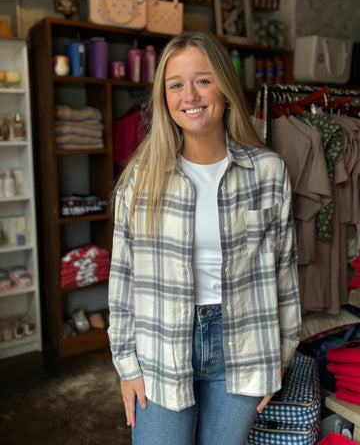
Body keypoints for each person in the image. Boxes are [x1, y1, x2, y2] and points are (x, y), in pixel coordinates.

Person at [108, 31, 301, 445]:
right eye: (175, 84)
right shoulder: (140, 180)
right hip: (161, 347)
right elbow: (122, 279)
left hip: (246, 345)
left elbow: (285, 272)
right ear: (164, 98)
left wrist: (280, 358)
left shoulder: (269, 172)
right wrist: (126, 366)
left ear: (225, 88)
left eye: (203, 79)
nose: (190, 95)